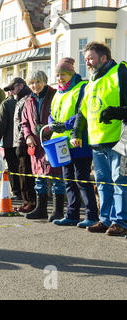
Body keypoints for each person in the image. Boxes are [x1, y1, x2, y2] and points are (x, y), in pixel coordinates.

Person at [71, 42, 127, 236]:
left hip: (120, 140)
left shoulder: (120, 72)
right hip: (97, 142)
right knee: (102, 182)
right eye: (85, 58)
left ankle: (121, 221)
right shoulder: (90, 82)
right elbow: (82, 112)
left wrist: (117, 112)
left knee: (119, 180)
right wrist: (76, 133)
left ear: (104, 58)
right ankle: (105, 219)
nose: (86, 61)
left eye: (90, 57)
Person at [48, 58, 99, 228]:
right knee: (68, 179)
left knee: (81, 179)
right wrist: (52, 123)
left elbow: (81, 113)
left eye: (63, 74)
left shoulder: (81, 88)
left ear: (71, 73)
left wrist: (64, 125)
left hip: (79, 141)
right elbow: (52, 112)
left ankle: (92, 215)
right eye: (57, 75)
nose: (60, 78)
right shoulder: (58, 92)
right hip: (61, 142)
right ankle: (72, 215)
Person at [22, 71, 66, 221]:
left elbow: (60, 116)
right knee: (39, 177)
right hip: (36, 143)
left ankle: (58, 211)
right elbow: (25, 122)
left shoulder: (55, 95)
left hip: (53, 141)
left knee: (57, 176)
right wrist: (28, 136)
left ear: (45, 81)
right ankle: (41, 209)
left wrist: (49, 129)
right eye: (32, 83)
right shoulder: (28, 100)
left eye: (38, 82)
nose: (35, 86)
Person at [9, 78, 37, 213]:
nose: (11, 92)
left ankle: (30, 202)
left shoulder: (26, 99)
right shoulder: (20, 100)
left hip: (24, 141)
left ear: (20, 86)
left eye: (12, 88)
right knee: (22, 173)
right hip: (20, 141)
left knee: (26, 173)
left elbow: (23, 124)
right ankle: (27, 201)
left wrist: (20, 142)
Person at [0, 84, 22, 200]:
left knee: (13, 168)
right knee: (23, 167)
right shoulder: (28, 100)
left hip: (9, 141)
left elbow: (1, 124)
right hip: (23, 141)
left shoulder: (6, 103)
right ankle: (25, 192)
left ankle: (16, 191)